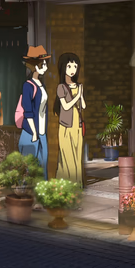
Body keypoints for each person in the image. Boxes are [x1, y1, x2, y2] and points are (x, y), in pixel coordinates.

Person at [19, 46, 51, 180]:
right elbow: (28, 111)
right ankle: (24, 192)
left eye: (45, 64)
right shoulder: (28, 85)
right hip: (31, 132)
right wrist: (34, 133)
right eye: (42, 64)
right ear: (34, 66)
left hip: (42, 132)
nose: (45, 67)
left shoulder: (41, 84)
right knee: (28, 169)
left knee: (43, 167)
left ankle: (42, 191)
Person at [54, 52, 86, 186]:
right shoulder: (61, 87)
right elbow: (66, 106)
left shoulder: (78, 86)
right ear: (63, 67)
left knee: (77, 156)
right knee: (67, 157)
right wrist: (77, 96)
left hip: (77, 126)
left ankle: (76, 183)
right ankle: (68, 184)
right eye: (69, 66)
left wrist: (81, 95)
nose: (73, 70)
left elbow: (83, 106)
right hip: (66, 126)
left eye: (75, 66)